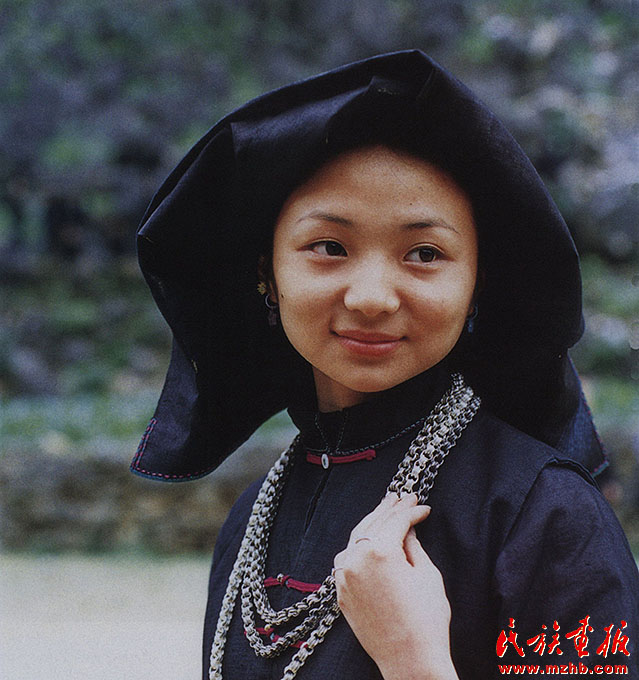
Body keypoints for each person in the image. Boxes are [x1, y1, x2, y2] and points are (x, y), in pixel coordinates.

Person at [131, 51, 639, 679]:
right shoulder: (251, 522)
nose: (372, 298)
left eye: (424, 253)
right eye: (329, 246)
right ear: (268, 273)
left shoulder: (547, 518)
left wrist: (411, 658)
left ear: (477, 285)